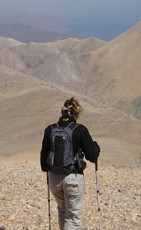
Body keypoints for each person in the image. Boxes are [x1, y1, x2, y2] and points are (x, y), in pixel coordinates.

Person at [40, 97, 100, 230]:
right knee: (73, 217)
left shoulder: (50, 129)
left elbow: (43, 157)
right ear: (76, 113)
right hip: (73, 178)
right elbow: (92, 156)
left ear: (62, 112)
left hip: (54, 178)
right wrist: (96, 147)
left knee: (62, 210)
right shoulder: (80, 130)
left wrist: (49, 170)